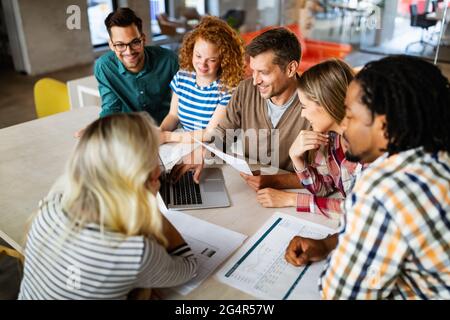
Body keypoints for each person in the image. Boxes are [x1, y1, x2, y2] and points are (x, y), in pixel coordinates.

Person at [285, 55, 450, 299]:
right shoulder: (437, 158)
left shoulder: (380, 189)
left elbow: (339, 293)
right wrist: (330, 243)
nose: (345, 127)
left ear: (383, 125)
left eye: (350, 116)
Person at [19, 113, 197, 299]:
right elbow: (189, 267)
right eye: (154, 159)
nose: (159, 169)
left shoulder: (50, 207)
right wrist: (149, 206)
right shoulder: (134, 252)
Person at [171, 28, 309, 191]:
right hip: (250, 188)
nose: (255, 81)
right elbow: (224, 133)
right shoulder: (246, 89)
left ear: (291, 69)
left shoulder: (314, 105)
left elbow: (326, 177)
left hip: (294, 194)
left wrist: (276, 181)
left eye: (263, 72)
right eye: (253, 71)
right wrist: (201, 153)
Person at [256, 59, 363, 221]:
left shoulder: (368, 148)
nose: (302, 114)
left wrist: (291, 199)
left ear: (327, 103)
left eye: (305, 106)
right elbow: (322, 188)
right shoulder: (330, 140)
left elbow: (360, 212)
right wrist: (296, 158)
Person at [75, 8, 178, 137]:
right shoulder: (104, 66)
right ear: (111, 45)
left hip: (169, 129)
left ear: (143, 39)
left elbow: (184, 102)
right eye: (120, 45)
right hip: (130, 134)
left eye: (135, 42)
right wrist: (100, 127)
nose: (128, 51)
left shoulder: (169, 60)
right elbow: (111, 108)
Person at [159, 16, 245, 144]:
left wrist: (167, 137)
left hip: (212, 148)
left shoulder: (228, 88)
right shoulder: (182, 76)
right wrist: (160, 132)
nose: (202, 65)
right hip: (183, 143)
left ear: (224, 59)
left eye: (212, 60)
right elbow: (173, 116)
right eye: (198, 56)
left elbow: (210, 133)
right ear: (191, 51)